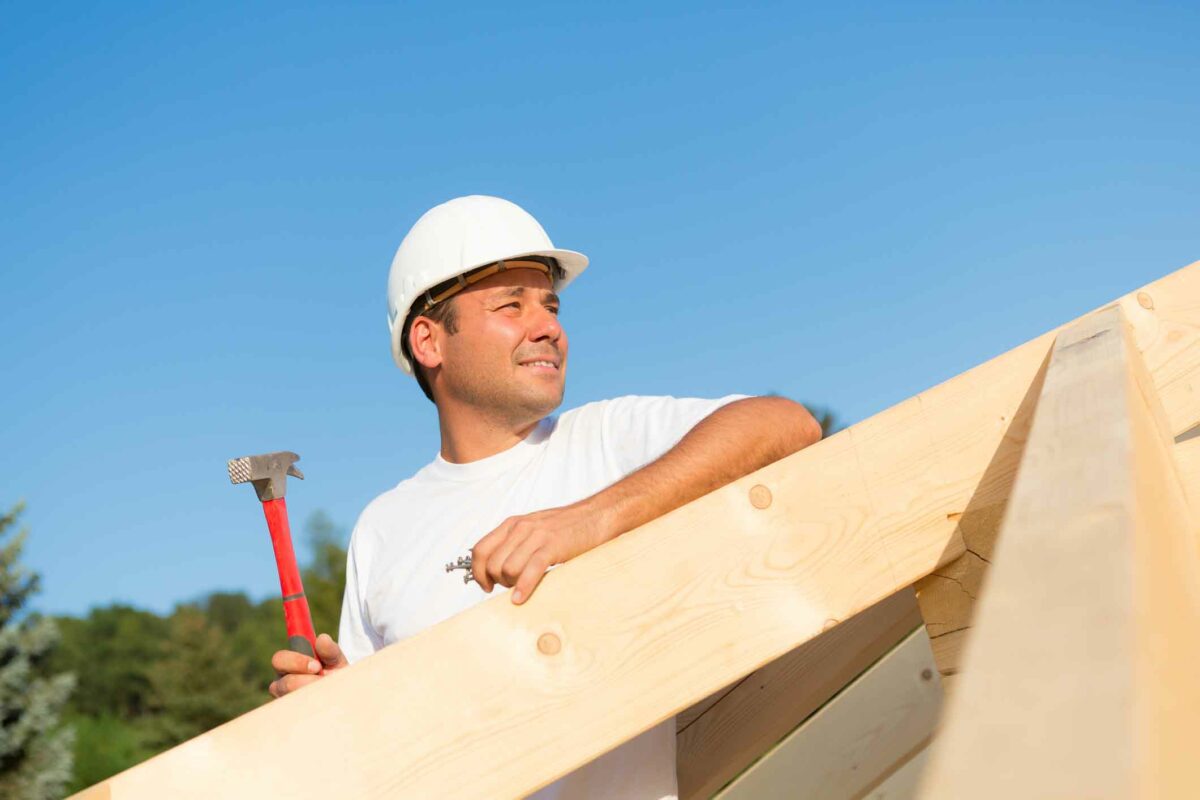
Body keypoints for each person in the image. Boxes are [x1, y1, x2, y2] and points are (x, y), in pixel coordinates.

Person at [268, 195, 822, 798]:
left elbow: (786, 424)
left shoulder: (608, 442)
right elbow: (373, 757)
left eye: (551, 306)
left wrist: (589, 521)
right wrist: (331, 713)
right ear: (429, 342)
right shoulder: (383, 527)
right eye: (512, 305)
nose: (549, 326)